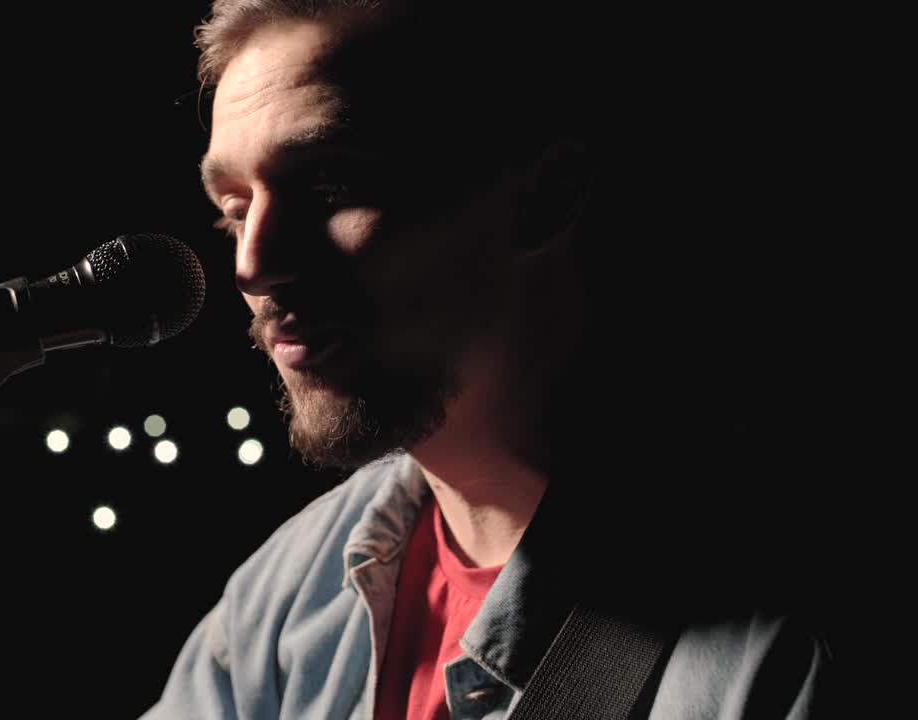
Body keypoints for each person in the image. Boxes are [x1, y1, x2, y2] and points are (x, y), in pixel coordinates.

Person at [143, 2, 833, 717]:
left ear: (543, 195)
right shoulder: (285, 597)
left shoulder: (780, 648)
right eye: (233, 206)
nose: (252, 264)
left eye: (329, 185)